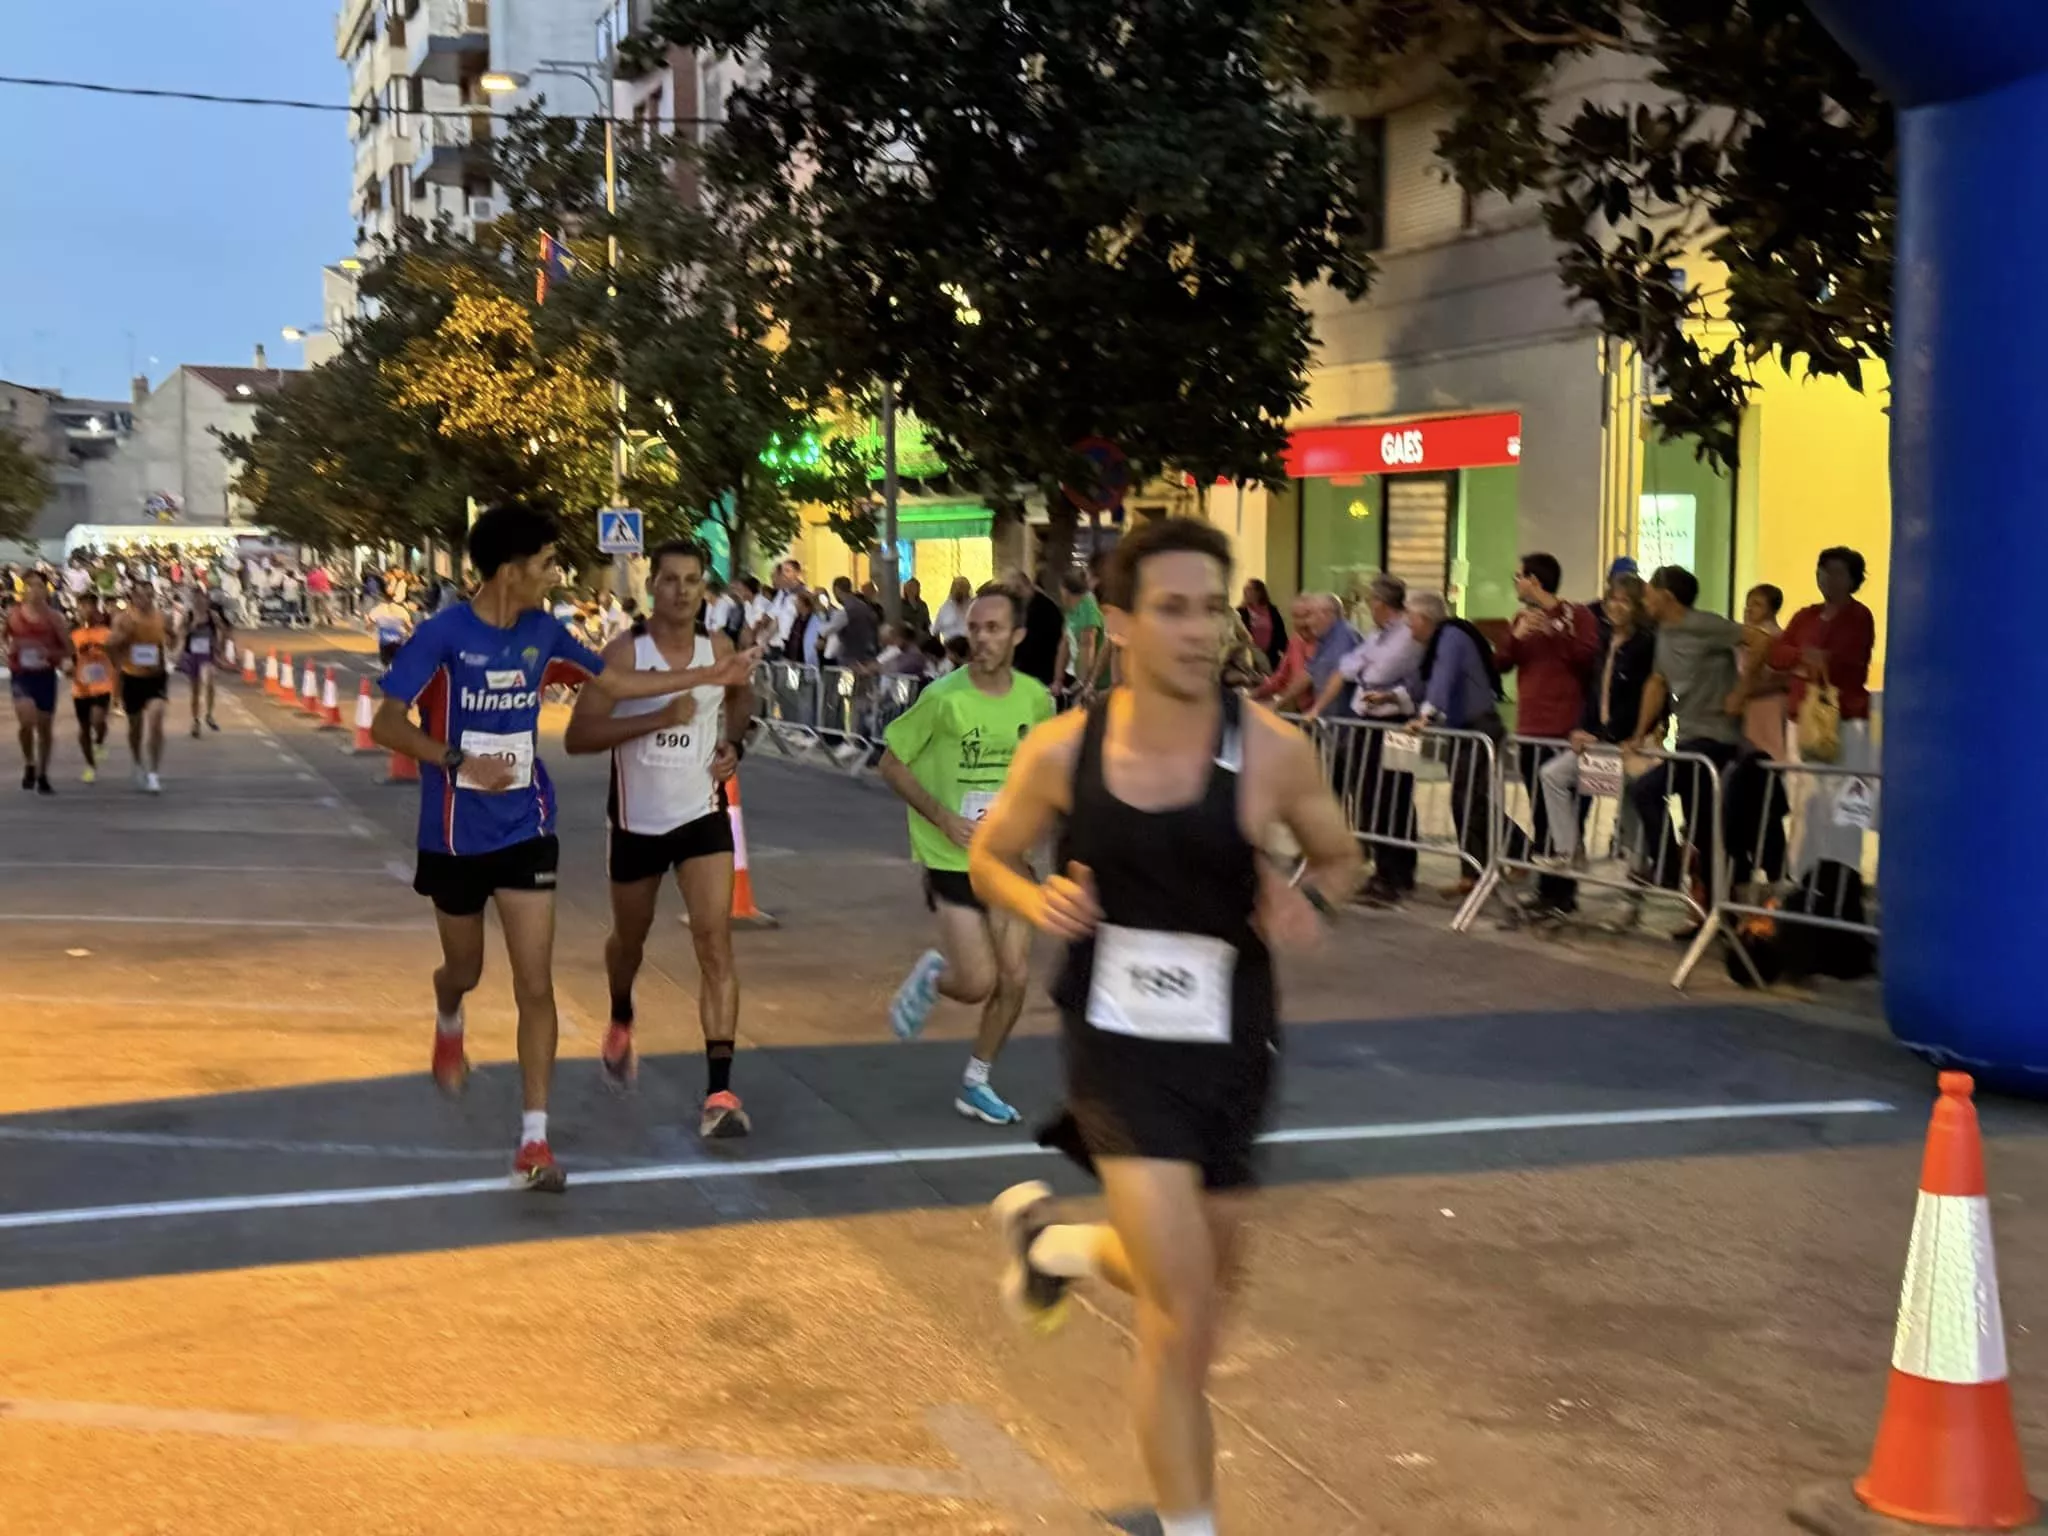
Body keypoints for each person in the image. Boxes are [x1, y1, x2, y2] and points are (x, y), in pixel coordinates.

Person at [969, 518, 1361, 1536]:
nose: (1198, 632)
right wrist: (1034, 897)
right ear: (1121, 620)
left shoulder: (1270, 751)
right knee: (1181, 1315)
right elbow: (989, 856)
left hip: (1232, 1042)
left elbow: (1339, 856)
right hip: (1116, 1045)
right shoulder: (1065, 748)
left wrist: (1305, 903)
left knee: (1201, 1285)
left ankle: (1050, 1245)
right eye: (1172, 609)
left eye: (1211, 609)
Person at [370, 503, 726, 1193]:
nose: (554, 575)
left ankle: (534, 1140)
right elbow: (388, 721)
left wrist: (707, 675)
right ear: (511, 570)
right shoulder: (441, 636)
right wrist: (455, 760)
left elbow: (614, 682)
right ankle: (449, 1016)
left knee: (537, 983)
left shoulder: (543, 631)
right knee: (465, 970)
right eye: (546, 564)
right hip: (452, 835)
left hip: (527, 827)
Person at [564, 539, 759, 1138]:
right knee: (630, 939)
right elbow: (579, 736)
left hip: (701, 815)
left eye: (692, 580)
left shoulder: (718, 647)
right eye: (670, 580)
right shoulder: (625, 651)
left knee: (714, 942)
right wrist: (657, 718)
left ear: (706, 589)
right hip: (637, 822)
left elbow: (740, 699)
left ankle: (720, 1091)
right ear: (652, 588)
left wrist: (733, 744)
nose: (680, 591)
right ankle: (621, 1013)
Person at [880, 584, 1057, 1125]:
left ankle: (976, 1082)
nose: (980, 638)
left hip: (1008, 858)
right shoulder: (944, 697)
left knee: (1016, 979)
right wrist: (943, 817)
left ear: (1017, 637)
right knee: (976, 982)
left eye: (993, 628)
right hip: (951, 856)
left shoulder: (1036, 700)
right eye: (975, 627)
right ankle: (936, 976)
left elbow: (1043, 774)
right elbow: (891, 763)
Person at [1627, 565, 1746, 908]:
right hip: (1689, 740)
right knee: (1700, 827)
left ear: (1668, 597)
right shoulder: (1663, 631)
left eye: (1649, 593)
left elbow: (1761, 639)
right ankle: (1704, 904)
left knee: (1650, 791)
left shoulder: (1705, 625)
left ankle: (1672, 869)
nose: (1644, 599)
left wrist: (1743, 690)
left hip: (1715, 740)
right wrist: (1639, 733)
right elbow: (1657, 682)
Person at [1495, 553, 1600, 917]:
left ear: (1535, 581)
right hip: (1530, 728)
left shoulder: (1578, 615)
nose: (1516, 583)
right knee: (1539, 813)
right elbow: (1501, 664)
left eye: (1519, 576)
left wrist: (1554, 626)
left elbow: (1586, 658)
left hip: (1564, 730)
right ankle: (1546, 889)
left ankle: (1564, 893)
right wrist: (1515, 637)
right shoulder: (1522, 619)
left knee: (1565, 813)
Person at [1536, 573, 1657, 876]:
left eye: (1625, 601)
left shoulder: (1646, 645)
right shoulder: (1604, 641)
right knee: (1552, 775)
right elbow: (1594, 692)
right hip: (1599, 739)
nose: (1616, 607)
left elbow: (1639, 700)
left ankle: (1638, 871)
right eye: (1612, 599)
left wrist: (1605, 734)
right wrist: (1581, 728)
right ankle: (1569, 849)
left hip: (1627, 742)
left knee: (1631, 805)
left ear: (1637, 607)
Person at [1310, 575, 1421, 905]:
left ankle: (1394, 873)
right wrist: (1363, 670)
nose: (1369, 607)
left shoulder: (1405, 635)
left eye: (1371, 601)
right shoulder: (1378, 635)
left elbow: (1377, 673)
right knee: (1373, 796)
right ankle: (1387, 870)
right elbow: (1349, 666)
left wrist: (1365, 671)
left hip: (1395, 725)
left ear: (1381, 604)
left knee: (1393, 797)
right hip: (1370, 722)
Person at [1769, 546, 1878, 876]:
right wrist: (1806, 658)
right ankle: (1802, 875)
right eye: (1822, 569)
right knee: (1804, 802)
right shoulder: (1805, 615)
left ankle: (1842, 875)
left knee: (1842, 804)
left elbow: (1846, 660)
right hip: (1802, 723)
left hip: (1843, 722)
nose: (1827, 578)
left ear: (1853, 579)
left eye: (1836, 572)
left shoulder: (1859, 616)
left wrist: (1807, 661)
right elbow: (1777, 653)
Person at [1397, 591, 1507, 896]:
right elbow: (1423, 683)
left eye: (1411, 622)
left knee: (1470, 800)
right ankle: (1480, 869)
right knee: (1468, 799)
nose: (1409, 629)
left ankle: (1482, 871)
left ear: (1423, 618)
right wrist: (1396, 697)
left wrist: (1425, 717)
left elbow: (1442, 680)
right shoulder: (1433, 644)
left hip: (1480, 727)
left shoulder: (1451, 636)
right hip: (1463, 729)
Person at [7, 571, 70, 794]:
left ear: (46, 590)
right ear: (23, 589)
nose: (34, 590)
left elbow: (68, 648)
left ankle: (42, 773)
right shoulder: (13, 615)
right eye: (29, 586)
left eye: (38, 586)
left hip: (45, 676)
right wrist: (8, 651)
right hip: (21, 674)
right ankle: (29, 762)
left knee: (44, 727)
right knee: (27, 721)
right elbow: (4, 640)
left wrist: (50, 652)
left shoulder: (55, 618)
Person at [109, 580, 171, 793]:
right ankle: (137, 761)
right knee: (135, 727)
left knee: (156, 721)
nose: (144, 599)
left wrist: (175, 650)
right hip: (132, 678)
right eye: (139, 595)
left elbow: (172, 638)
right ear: (132, 597)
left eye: (148, 594)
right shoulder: (124, 620)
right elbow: (110, 645)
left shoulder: (162, 617)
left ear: (153, 595)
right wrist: (122, 642)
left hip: (156, 678)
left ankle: (154, 773)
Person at [1739, 583, 1789, 759]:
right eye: (1748, 604)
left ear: (1772, 609)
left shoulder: (1780, 638)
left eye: (1757, 604)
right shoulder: (1744, 637)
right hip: (1750, 706)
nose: (1749, 609)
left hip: (1771, 705)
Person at [69, 594, 114, 784]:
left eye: (90, 606)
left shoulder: (106, 633)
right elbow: (68, 657)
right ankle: (90, 765)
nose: (86, 610)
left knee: (98, 719)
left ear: (96, 609)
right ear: (78, 609)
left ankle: (100, 740)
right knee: (83, 729)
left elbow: (115, 655)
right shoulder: (73, 633)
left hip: (102, 684)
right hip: (81, 687)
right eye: (83, 606)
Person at [176, 586, 231, 737]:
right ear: (193, 601)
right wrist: (191, 628)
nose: (200, 602)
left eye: (202, 599)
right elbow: (179, 632)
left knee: (210, 681)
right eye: (196, 599)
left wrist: (220, 647)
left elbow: (225, 629)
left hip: (207, 655)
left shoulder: (212, 615)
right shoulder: (188, 615)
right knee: (195, 690)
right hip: (193, 655)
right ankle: (195, 721)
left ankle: (209, 714)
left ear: (206, 600)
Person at [1249, 593, 1318, 711]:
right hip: (1307, 715)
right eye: (1297, 617)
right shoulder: (1295, 641)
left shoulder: (1327, 642)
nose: (1301, 623)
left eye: (1306, 616)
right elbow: (1280, 678)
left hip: (1331, 717)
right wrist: (1251, 695)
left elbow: (1306, 679)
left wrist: (1278, 702)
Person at [1009, 570, 1065, 687]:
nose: (1016, 595)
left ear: (1028, 586)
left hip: (1042, 670)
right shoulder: (1027, 605)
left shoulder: (1042, 608)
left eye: (1018, 589)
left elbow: (1031, 645)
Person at [1055, 567, 1104, 702]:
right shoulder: (1071, 610)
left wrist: (1084, 683)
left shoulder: (1088, 607)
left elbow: (1087, 645)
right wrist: (1058, 680)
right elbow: (1064, 644)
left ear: (1064, 590)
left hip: (1097, 683)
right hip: (1080, 677)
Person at [1236, 578, 1287, 674]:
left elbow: (1281, 635)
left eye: (1250, 589)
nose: (1246, 592)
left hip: (1270, 657)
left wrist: (1287, 655)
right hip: (1249, 659)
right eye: (1245, 589)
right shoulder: (1241, 612)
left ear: (1259, 592)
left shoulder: (1272, 611)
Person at [365, 592, 414, 672]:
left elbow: (370, 625)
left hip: (385, 641)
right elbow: (409, 625)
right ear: (393, 599)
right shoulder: (401, 610)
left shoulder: (377, 609)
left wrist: (369, 628)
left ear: (383, 599)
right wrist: (409, 633)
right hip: (398, 640)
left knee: (386, 662)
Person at [933, 575, 974, 643]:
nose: (959, 589)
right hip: (950, 647)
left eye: (962, 586)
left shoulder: (974, 606)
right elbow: (936, 630)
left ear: (967, 588)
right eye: (956, 586)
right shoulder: (945, 608)